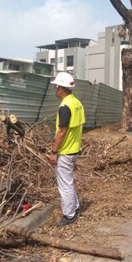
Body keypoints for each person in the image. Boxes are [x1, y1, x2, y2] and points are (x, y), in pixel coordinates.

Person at [48, 72, 85, 227]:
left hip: (65, 151)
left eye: (56, 87)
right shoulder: (76, 103)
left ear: (60, 88)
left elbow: (62, 131)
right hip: (74, 148)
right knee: (68, 181)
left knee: (65, 185)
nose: (55, 90)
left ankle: (69, 215)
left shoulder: (65, 106)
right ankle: (75, 207)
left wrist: (53, 152)